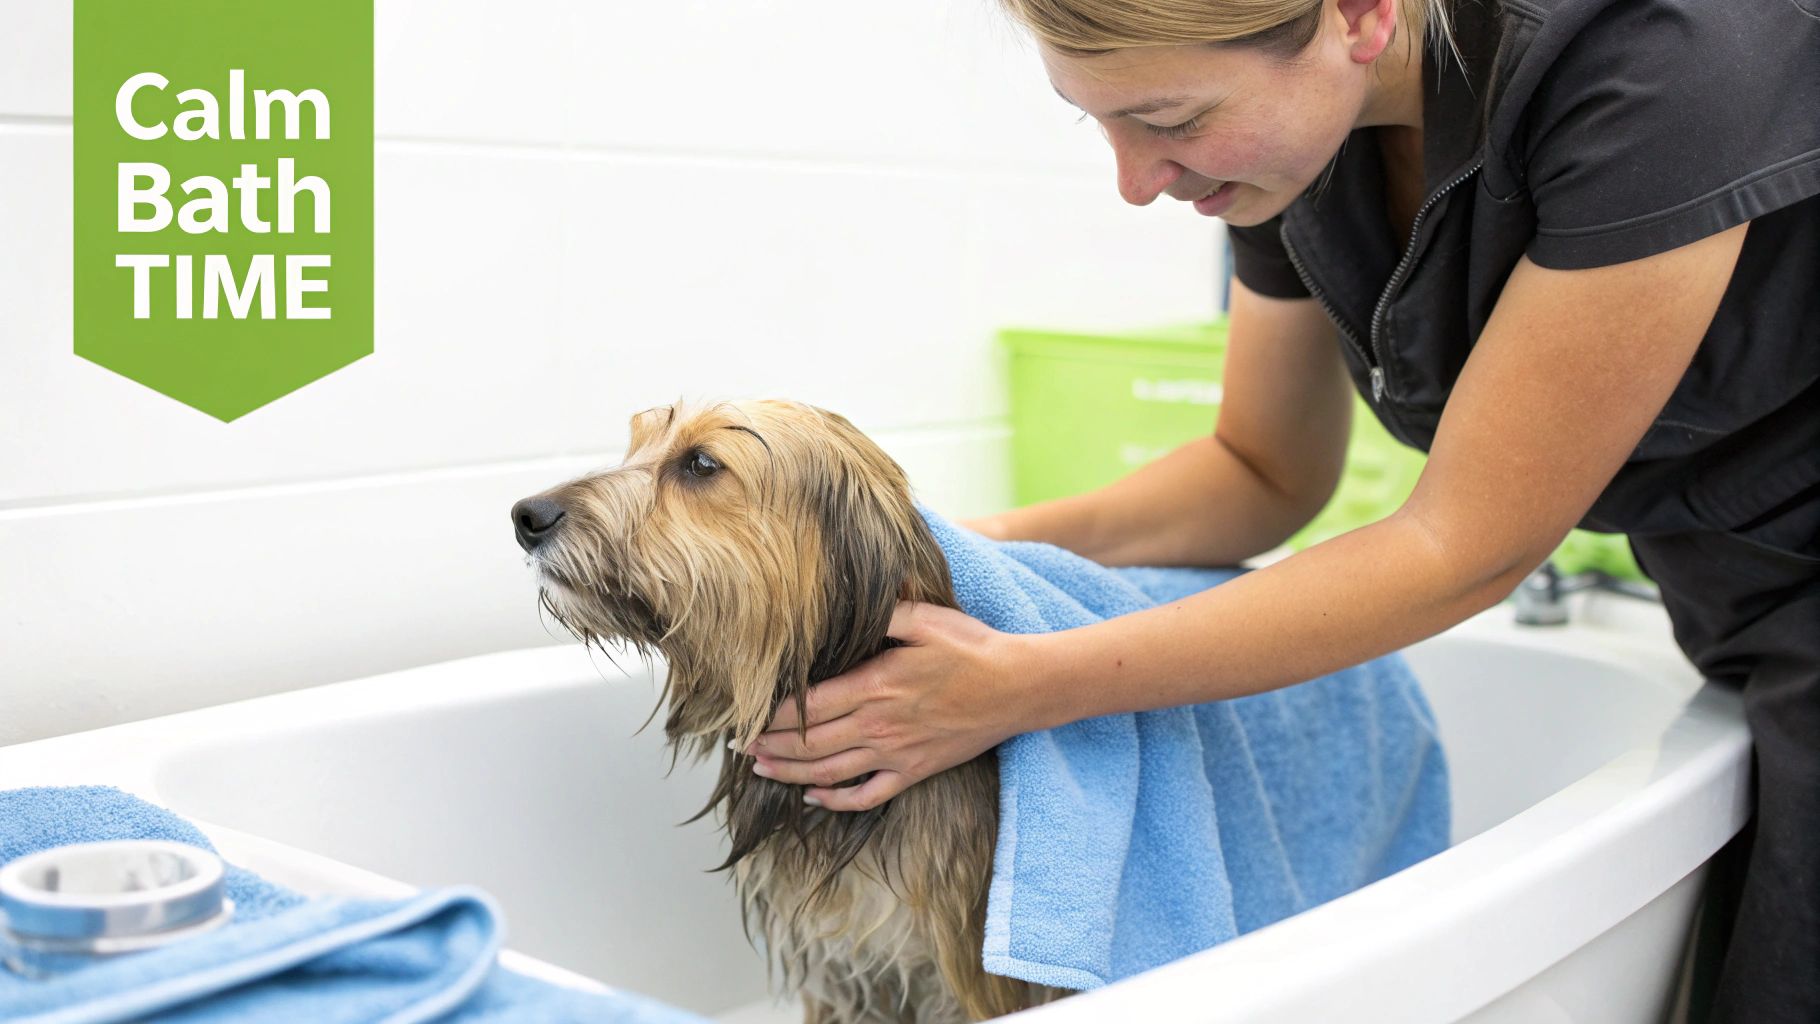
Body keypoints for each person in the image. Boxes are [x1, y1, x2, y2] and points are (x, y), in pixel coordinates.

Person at [746, 0, 1820, 1019]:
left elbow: (1458, 547)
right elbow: (1257, 471)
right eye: (1103, 122)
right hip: (1732, 595)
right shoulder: (1294, 146)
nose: (1134, 181)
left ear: (1357, 15)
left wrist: (1020, 688)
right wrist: (921, 554)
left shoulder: (1656, 62)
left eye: (1169, 120)